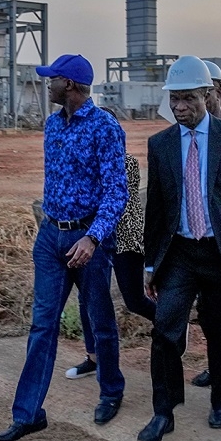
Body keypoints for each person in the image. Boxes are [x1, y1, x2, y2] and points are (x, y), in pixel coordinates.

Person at [0, 54, 129, 441]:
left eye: (51, 79)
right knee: (42, 326)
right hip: (51, 238)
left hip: (89, 241)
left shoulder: (104, 126)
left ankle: (111, 391)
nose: (46, 84)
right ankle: (28, 413)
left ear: (68, 84)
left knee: (100, 322)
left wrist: (92, 237)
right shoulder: (52, 124)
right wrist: (49, 227)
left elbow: (117, 192)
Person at [138, 56, 221, 441]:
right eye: (174, 100)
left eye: (188, 99)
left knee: (220, 330)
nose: (179, 108)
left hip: (220, 253)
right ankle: (164, 411)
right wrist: (150, 265)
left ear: (208, 94)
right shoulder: (160, 145)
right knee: (164, 331)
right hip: (178, 254)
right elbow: (157, 209)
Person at [67, 145, 154, 380]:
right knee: (87, 299)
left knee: (134, 301)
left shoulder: (125, 162)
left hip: (124, 239)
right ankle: (93, 358)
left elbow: (105, 200)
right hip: (95, 239)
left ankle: (170, 322)